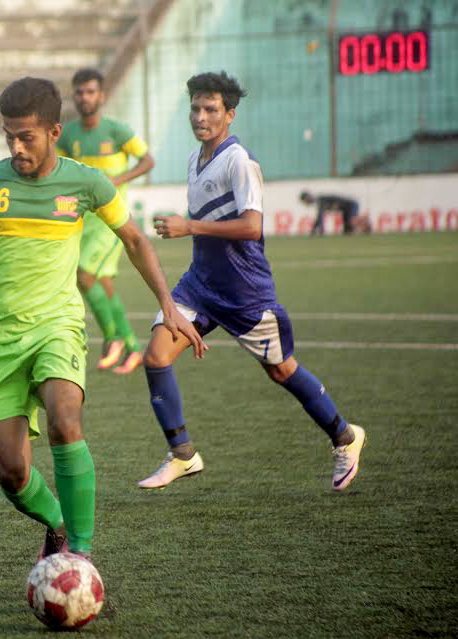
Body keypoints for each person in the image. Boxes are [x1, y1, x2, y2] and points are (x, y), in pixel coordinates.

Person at [0, 77, 206, 562]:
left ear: (54, 131)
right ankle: (57, 523)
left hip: (57, 327)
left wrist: (167, 304)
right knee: (10, 471)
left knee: (65, 420)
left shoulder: (87, 182)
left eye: (27, 137)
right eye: (9, 136)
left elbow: (136, 241)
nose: (17, 148)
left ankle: (79, 555)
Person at [138, 72, 366, 492]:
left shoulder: (239, 160)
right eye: (195, 108)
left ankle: (346, 437)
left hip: (244, 292)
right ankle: (183, 455)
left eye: (210, 109)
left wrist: (189, 226)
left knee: (281, 371)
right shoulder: (195, 159)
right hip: (199, 286)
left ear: (230, 115)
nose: (200, 117)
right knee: (155, 357)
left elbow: (251, 226)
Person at [57, 68, 155, 374]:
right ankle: (132, 346)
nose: (84, 97)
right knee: (104, 283)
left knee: (84, 275)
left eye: (90, 91)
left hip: (112, 221)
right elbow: (60, 170)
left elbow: (147, 160)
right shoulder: (69, 133)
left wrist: (118, 179)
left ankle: (112, 338)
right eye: (79, 92)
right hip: (81, 219)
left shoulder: (117, 131)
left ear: (101, 95)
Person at [300, 191, 371, 235]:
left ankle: (365, 221)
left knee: (351, 221)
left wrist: (318, 231)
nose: (306, 203)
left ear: (308, 198)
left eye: (305, 201)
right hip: (346, 208)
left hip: (350, 205)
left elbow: (320, 217)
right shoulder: (320, 200)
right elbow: (320, 218)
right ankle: (364, 224)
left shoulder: (320, 201)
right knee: (348, 230)